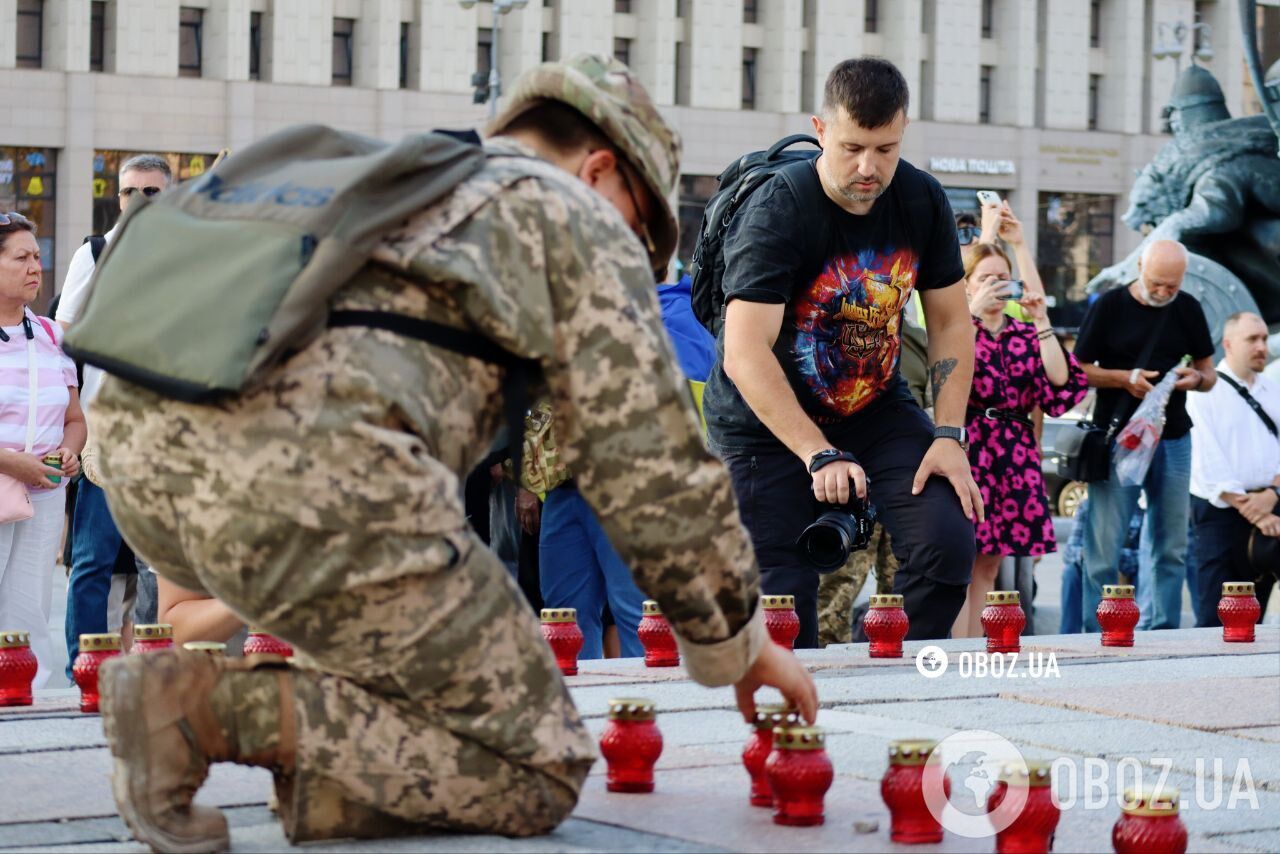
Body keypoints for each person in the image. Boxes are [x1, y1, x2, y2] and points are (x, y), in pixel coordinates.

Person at [90, 55, 816, 850]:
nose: (637, 264)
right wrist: (739, 645)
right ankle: (197, 715)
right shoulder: (562, 209)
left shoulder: (400, 179)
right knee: (538, 766)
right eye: (639, 235)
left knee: (432, 694)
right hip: (319, 492)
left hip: (139, 460)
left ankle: (323, 778)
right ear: (600, 170)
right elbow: (652, 464)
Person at [701, 57, 981, 648]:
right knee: (780, 603)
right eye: (852, 147)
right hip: (763, 423)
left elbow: (952, 321)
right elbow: (744, 352)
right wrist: (819, 453)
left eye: (886, 149)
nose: (868, 167)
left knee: (945, 540)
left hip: (875, 407)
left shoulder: (921, 199)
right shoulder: (779, 208)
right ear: (821, 129)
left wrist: (948, 435)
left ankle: (891, 669)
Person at [59, 154, 171, 674]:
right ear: (118, 197)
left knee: (162, 565)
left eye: (152, 192)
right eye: (130, 192)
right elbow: (64, 334)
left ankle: (154, 669)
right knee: (93, 560)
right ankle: (83, 672)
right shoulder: (94, 252)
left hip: (168, 435)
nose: (140, 201)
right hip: (106, 434)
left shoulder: (188, 256)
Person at [1074, 239, 1216, 632]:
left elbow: (1209, 374)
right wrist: (1124, 379)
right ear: (1139, 267)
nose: (1164, 292)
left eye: (1172, 285)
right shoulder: (1110, 305)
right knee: (1104, 546)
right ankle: (1098, 633)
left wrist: (1196, 378)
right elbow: (1078, 369)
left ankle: (1162, 631)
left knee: (1172, 545)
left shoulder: (1187, 307)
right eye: (1157, 283)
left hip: (1172, 436)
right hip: (1118, 436)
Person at [953, 243, 1087, 637]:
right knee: (961, 557)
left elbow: (1061, 382)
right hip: (970, 449)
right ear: (967, 285)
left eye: (1002, 278)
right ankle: (956, 649)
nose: (996, 286)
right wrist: (972, 314)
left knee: (990, 562)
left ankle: (975, 648)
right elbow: (941, 374)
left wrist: (1042, 319)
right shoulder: (955, 329)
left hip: (1014, 453)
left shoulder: (1026, 334)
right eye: (985, 278)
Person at [0, 212, 85, 686]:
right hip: (5, 480)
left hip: (46, 491)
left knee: (30, 605)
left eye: (36, 256)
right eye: (21, 258)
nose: (35, 267)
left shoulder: (52, 336)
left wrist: (70, 452)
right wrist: (14, 462)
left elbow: (74, 419)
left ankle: (23, 696)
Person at [1187, 311, 1280, 623]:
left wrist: (1272, 494)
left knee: (1254, 617)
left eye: (1264, 339)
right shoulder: (1203, 392)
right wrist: (1256, 511)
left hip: (1271, 508)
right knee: (1216, 617)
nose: (1261, 347)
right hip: (1221, 515)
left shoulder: (1274, 391)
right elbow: (1206, 459)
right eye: (1252, 339)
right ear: (1228, 344)